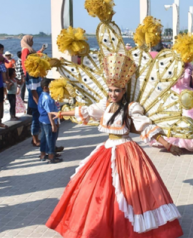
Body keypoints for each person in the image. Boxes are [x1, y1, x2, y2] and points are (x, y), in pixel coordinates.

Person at [45, 73, 183, 237]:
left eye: (117, 91)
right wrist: (61, 114)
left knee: (132, 191)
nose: (113, 94)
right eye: (110, 90)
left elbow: (145, 127)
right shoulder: (105, 105)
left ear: (124, 91)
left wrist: (167, 144)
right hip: (107, 149)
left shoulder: (131, 107)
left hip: (126, 151)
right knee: (93, 188)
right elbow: (86, 111)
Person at [37, 78, 62, 163]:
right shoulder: (48, 98)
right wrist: (53, 124)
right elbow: (50, 113)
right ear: (45, 87)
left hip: (43, 120)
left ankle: (43, 154)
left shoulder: (42, 95)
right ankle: (51, 155)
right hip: (48, 121)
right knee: (51, 138)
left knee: (44, 137)